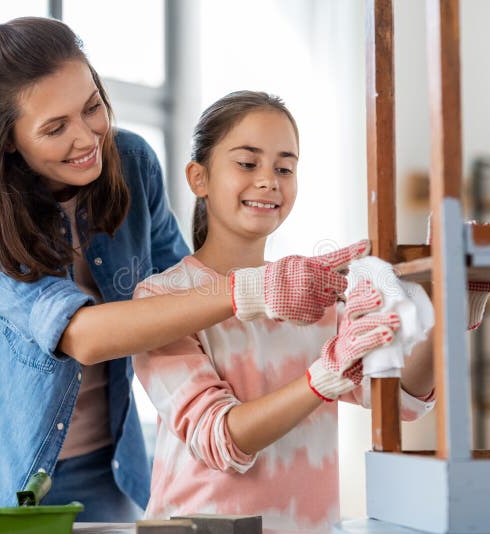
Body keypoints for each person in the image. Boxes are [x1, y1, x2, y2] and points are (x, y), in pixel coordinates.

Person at [0, 19, 368, 522]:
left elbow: (185, 290)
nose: (87, 138)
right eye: (55, 128)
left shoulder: (129, 162)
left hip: (103, 460)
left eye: (92, 108)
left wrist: (330, 303)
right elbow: (80, 335)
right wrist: (258, 290)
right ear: (8, 141)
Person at [132, 91, 439, 531]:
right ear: (198, 178)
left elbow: (402, 397)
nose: (268, 181)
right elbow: (220, 439)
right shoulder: (162, 300)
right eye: (247, 163)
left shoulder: (310, 290)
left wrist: (453, 311)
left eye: (284, 168)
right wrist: (323, 379)